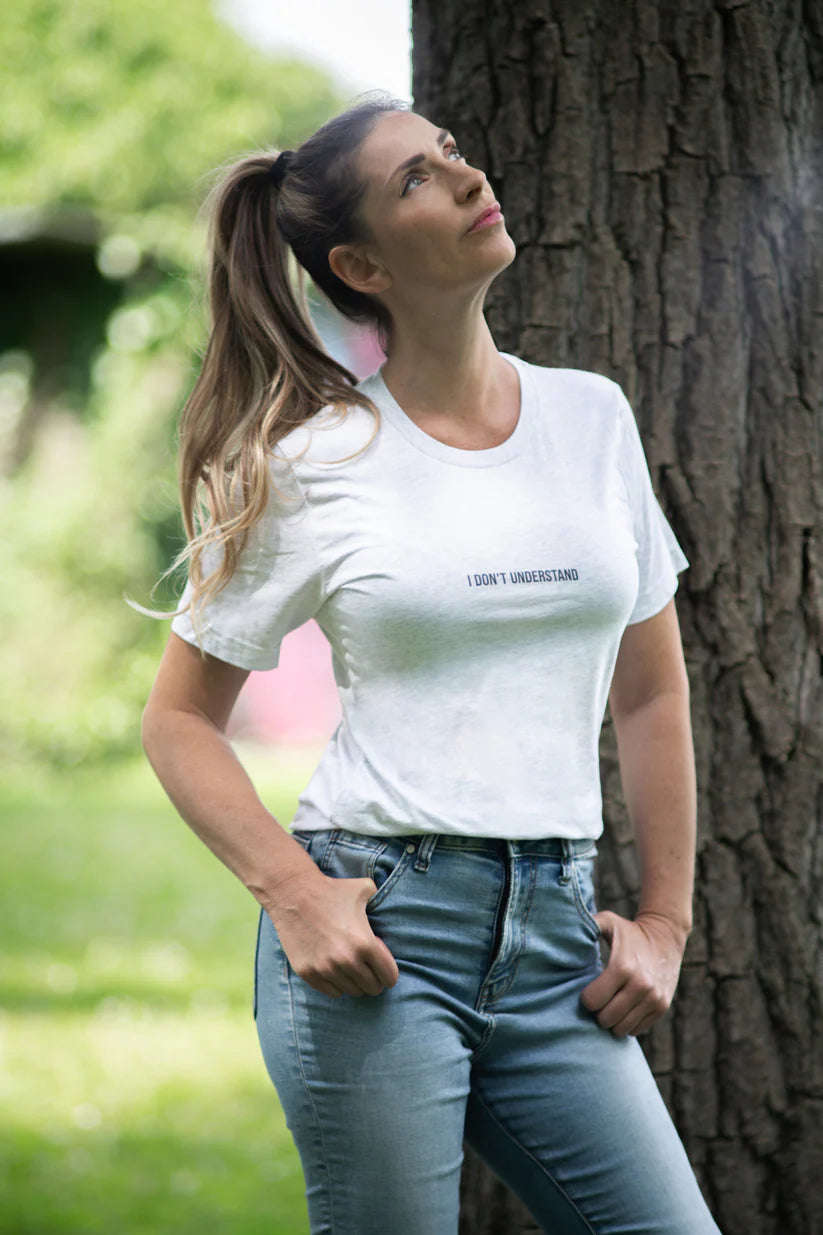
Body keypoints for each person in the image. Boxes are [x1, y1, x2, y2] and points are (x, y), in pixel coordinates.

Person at [139, 89, 724, 1234]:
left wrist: (665, 921)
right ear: (359, 264)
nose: (463, 177)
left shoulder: (591, 419)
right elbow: (178, 720)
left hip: (561, 949)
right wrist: (294, 894)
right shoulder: (312, 461)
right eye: (416, 177)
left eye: (451, 152)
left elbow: (650, 688)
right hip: (383, 942)